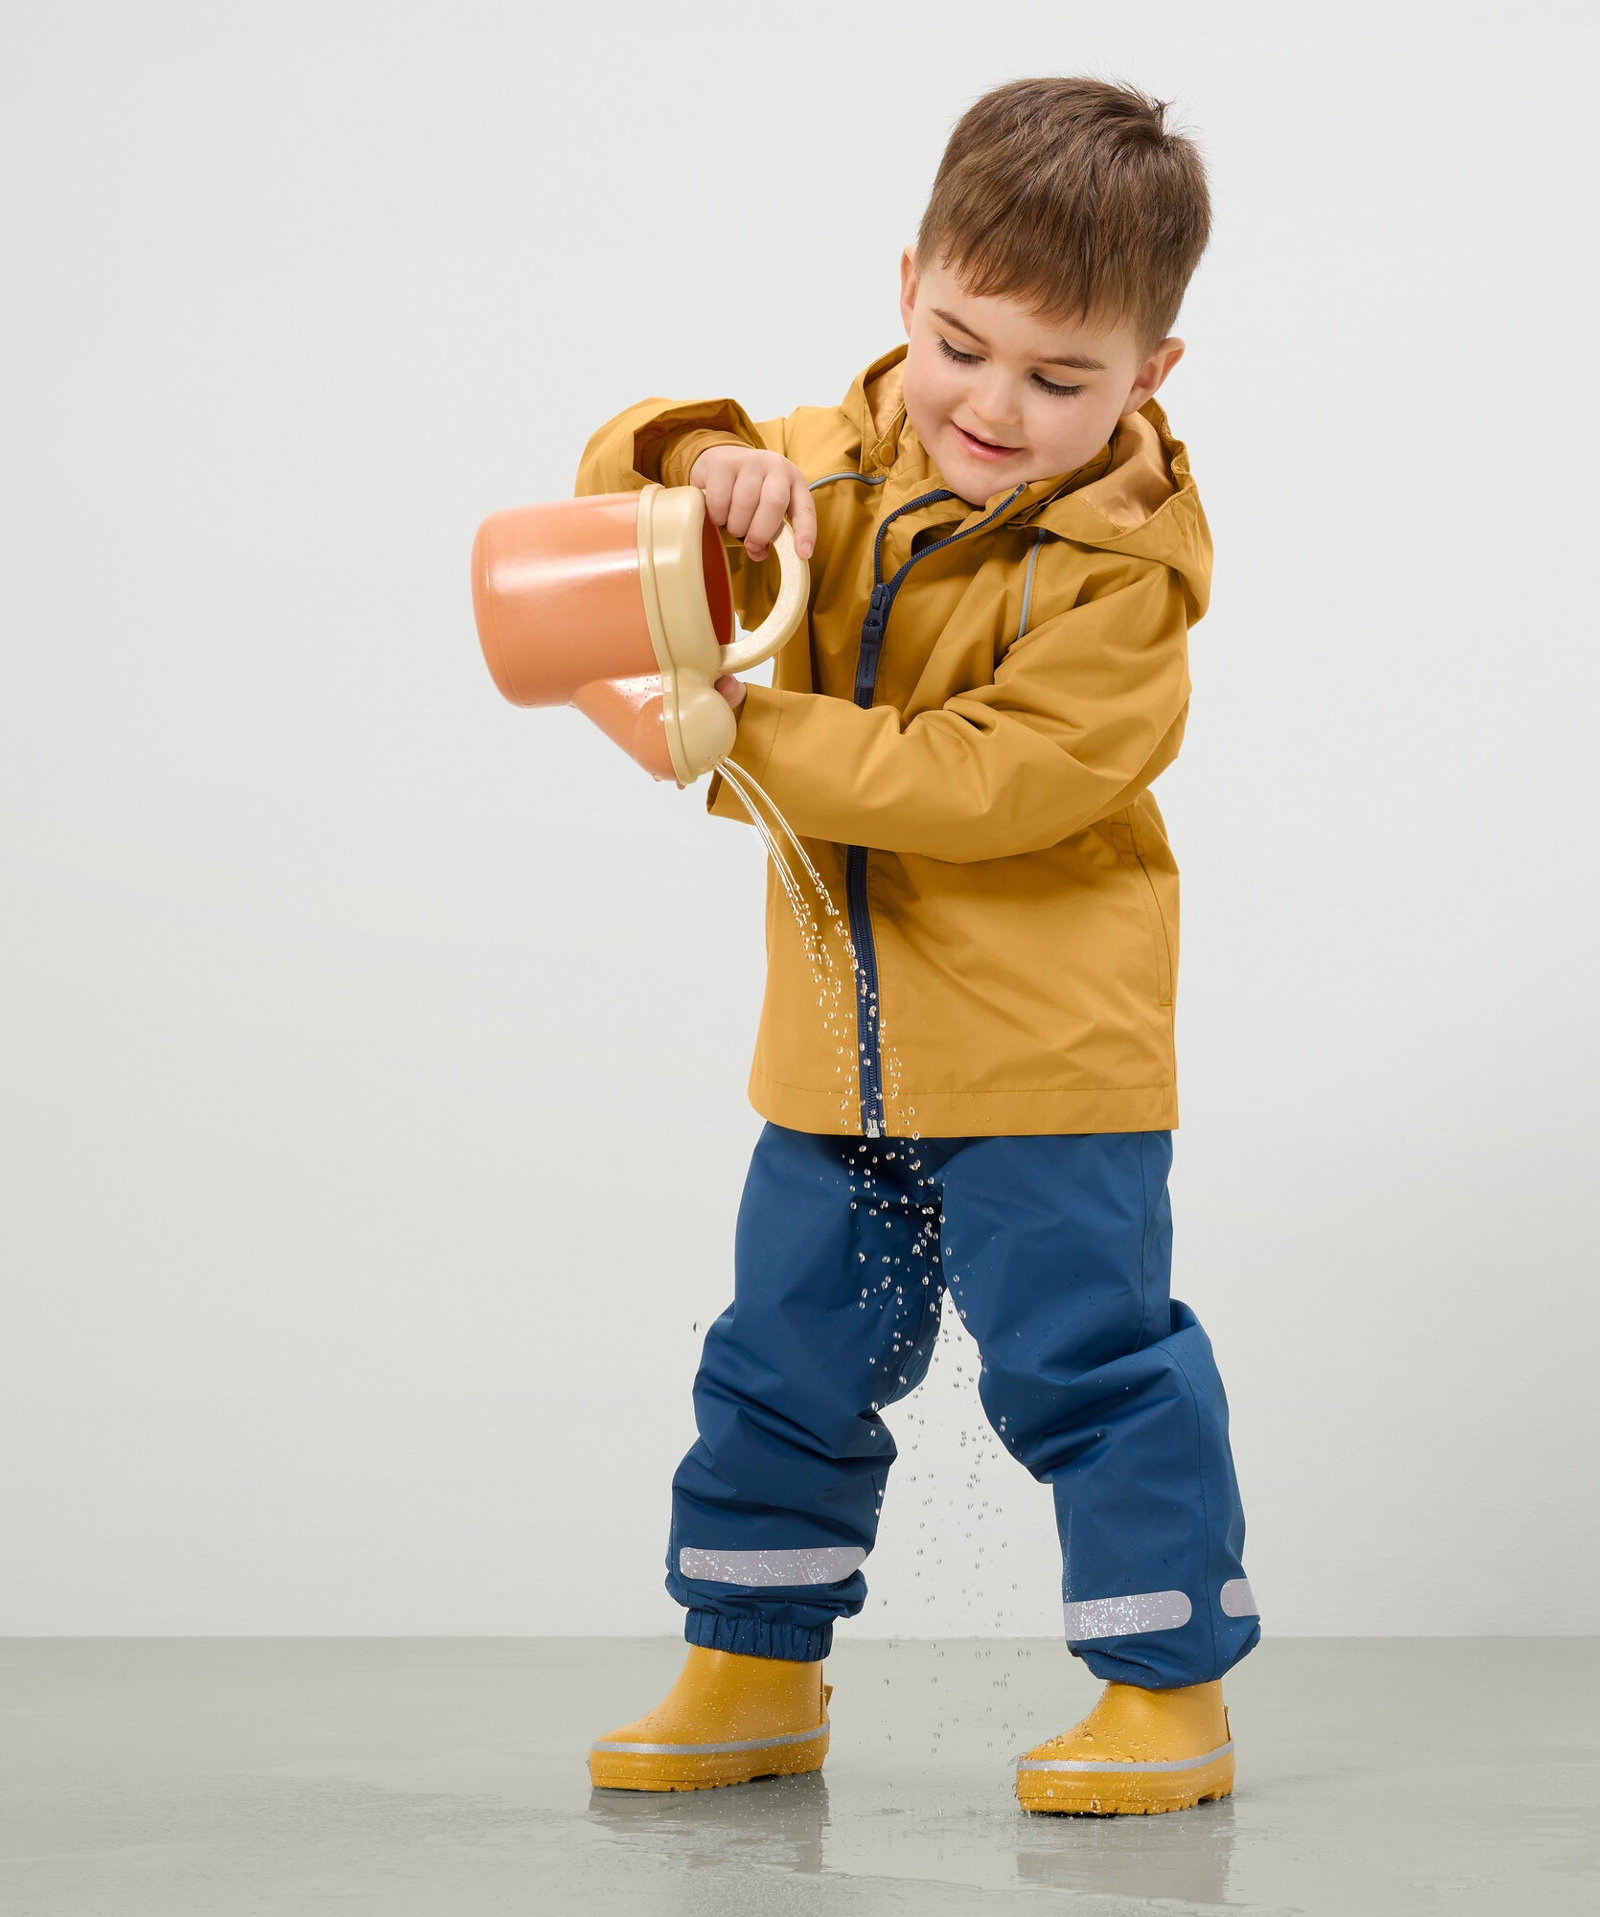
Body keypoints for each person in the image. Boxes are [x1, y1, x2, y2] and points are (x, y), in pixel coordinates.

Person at [576, 77, 1255, 1816]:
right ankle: (749, 1665)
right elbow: (609, 498)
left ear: (1149, 377)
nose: (993, 409)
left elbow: (986, 782)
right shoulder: (825, 459)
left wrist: (745, 739)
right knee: (783, 1353)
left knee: (1086, 1367)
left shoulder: (1126, 578)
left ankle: (1166, 1690)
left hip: (1048, 1067)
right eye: (963, 348)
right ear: (907, 289)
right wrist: (688, 460)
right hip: (834, 1044)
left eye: (1060, 377)